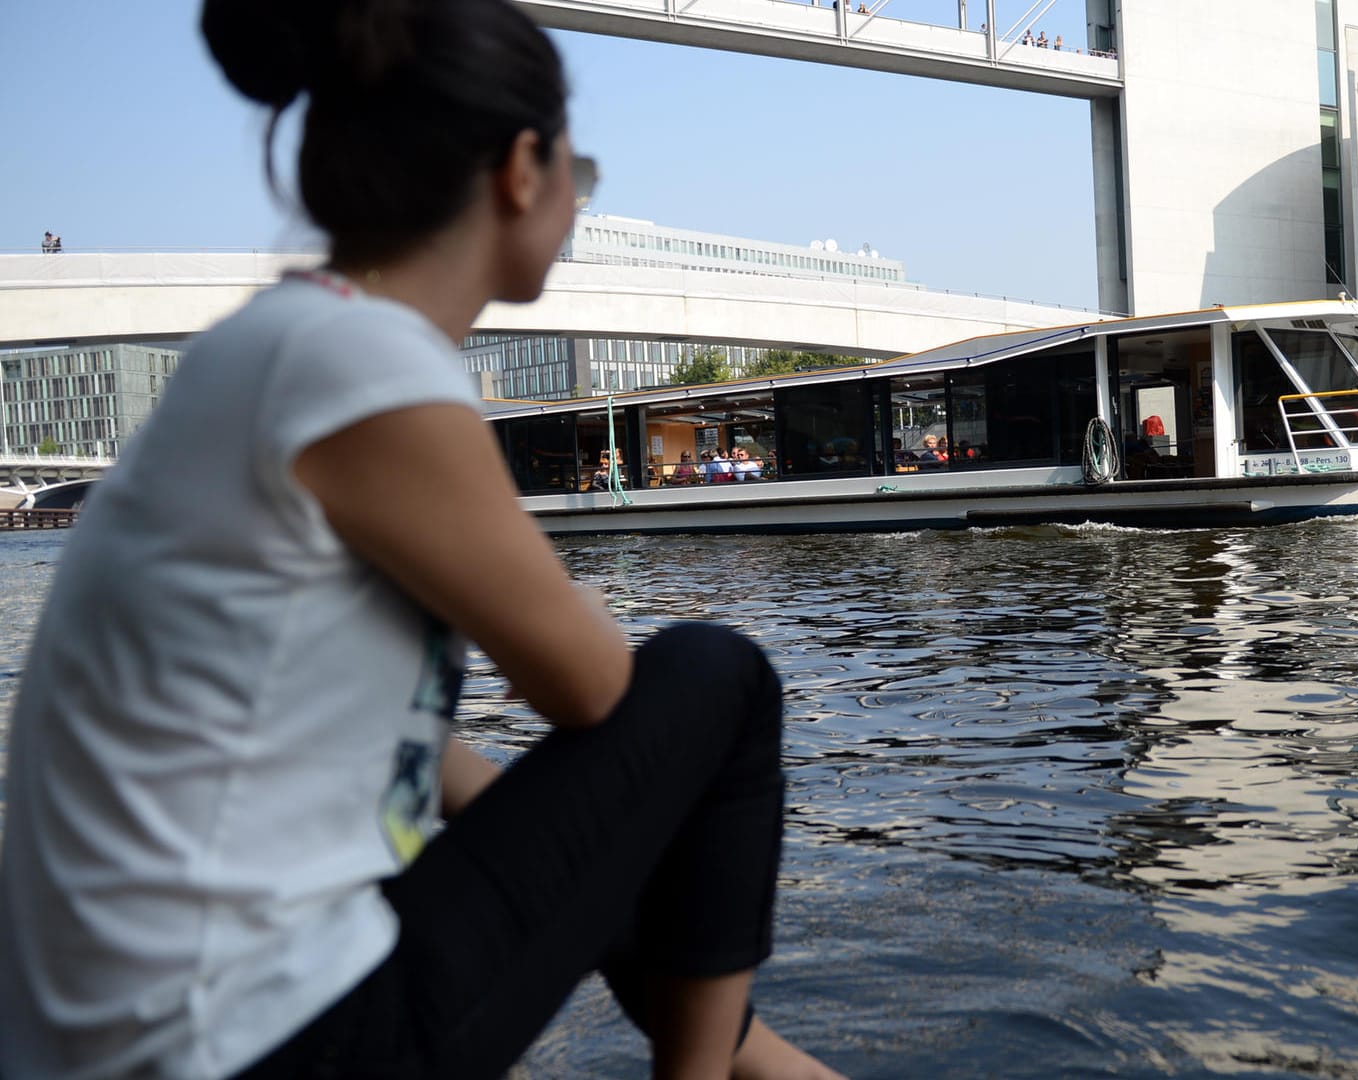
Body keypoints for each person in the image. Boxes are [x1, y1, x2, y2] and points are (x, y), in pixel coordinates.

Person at [0, 3, 842, 1079]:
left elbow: (465, 787)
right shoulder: (363, 363)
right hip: (245, 1041)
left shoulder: (276, 347)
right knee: (719, 676)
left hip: (135, 1038)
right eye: (576, 174)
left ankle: (746, 1058)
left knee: (622, 834)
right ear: (519, 169)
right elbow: (592, 690)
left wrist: (670, 934)